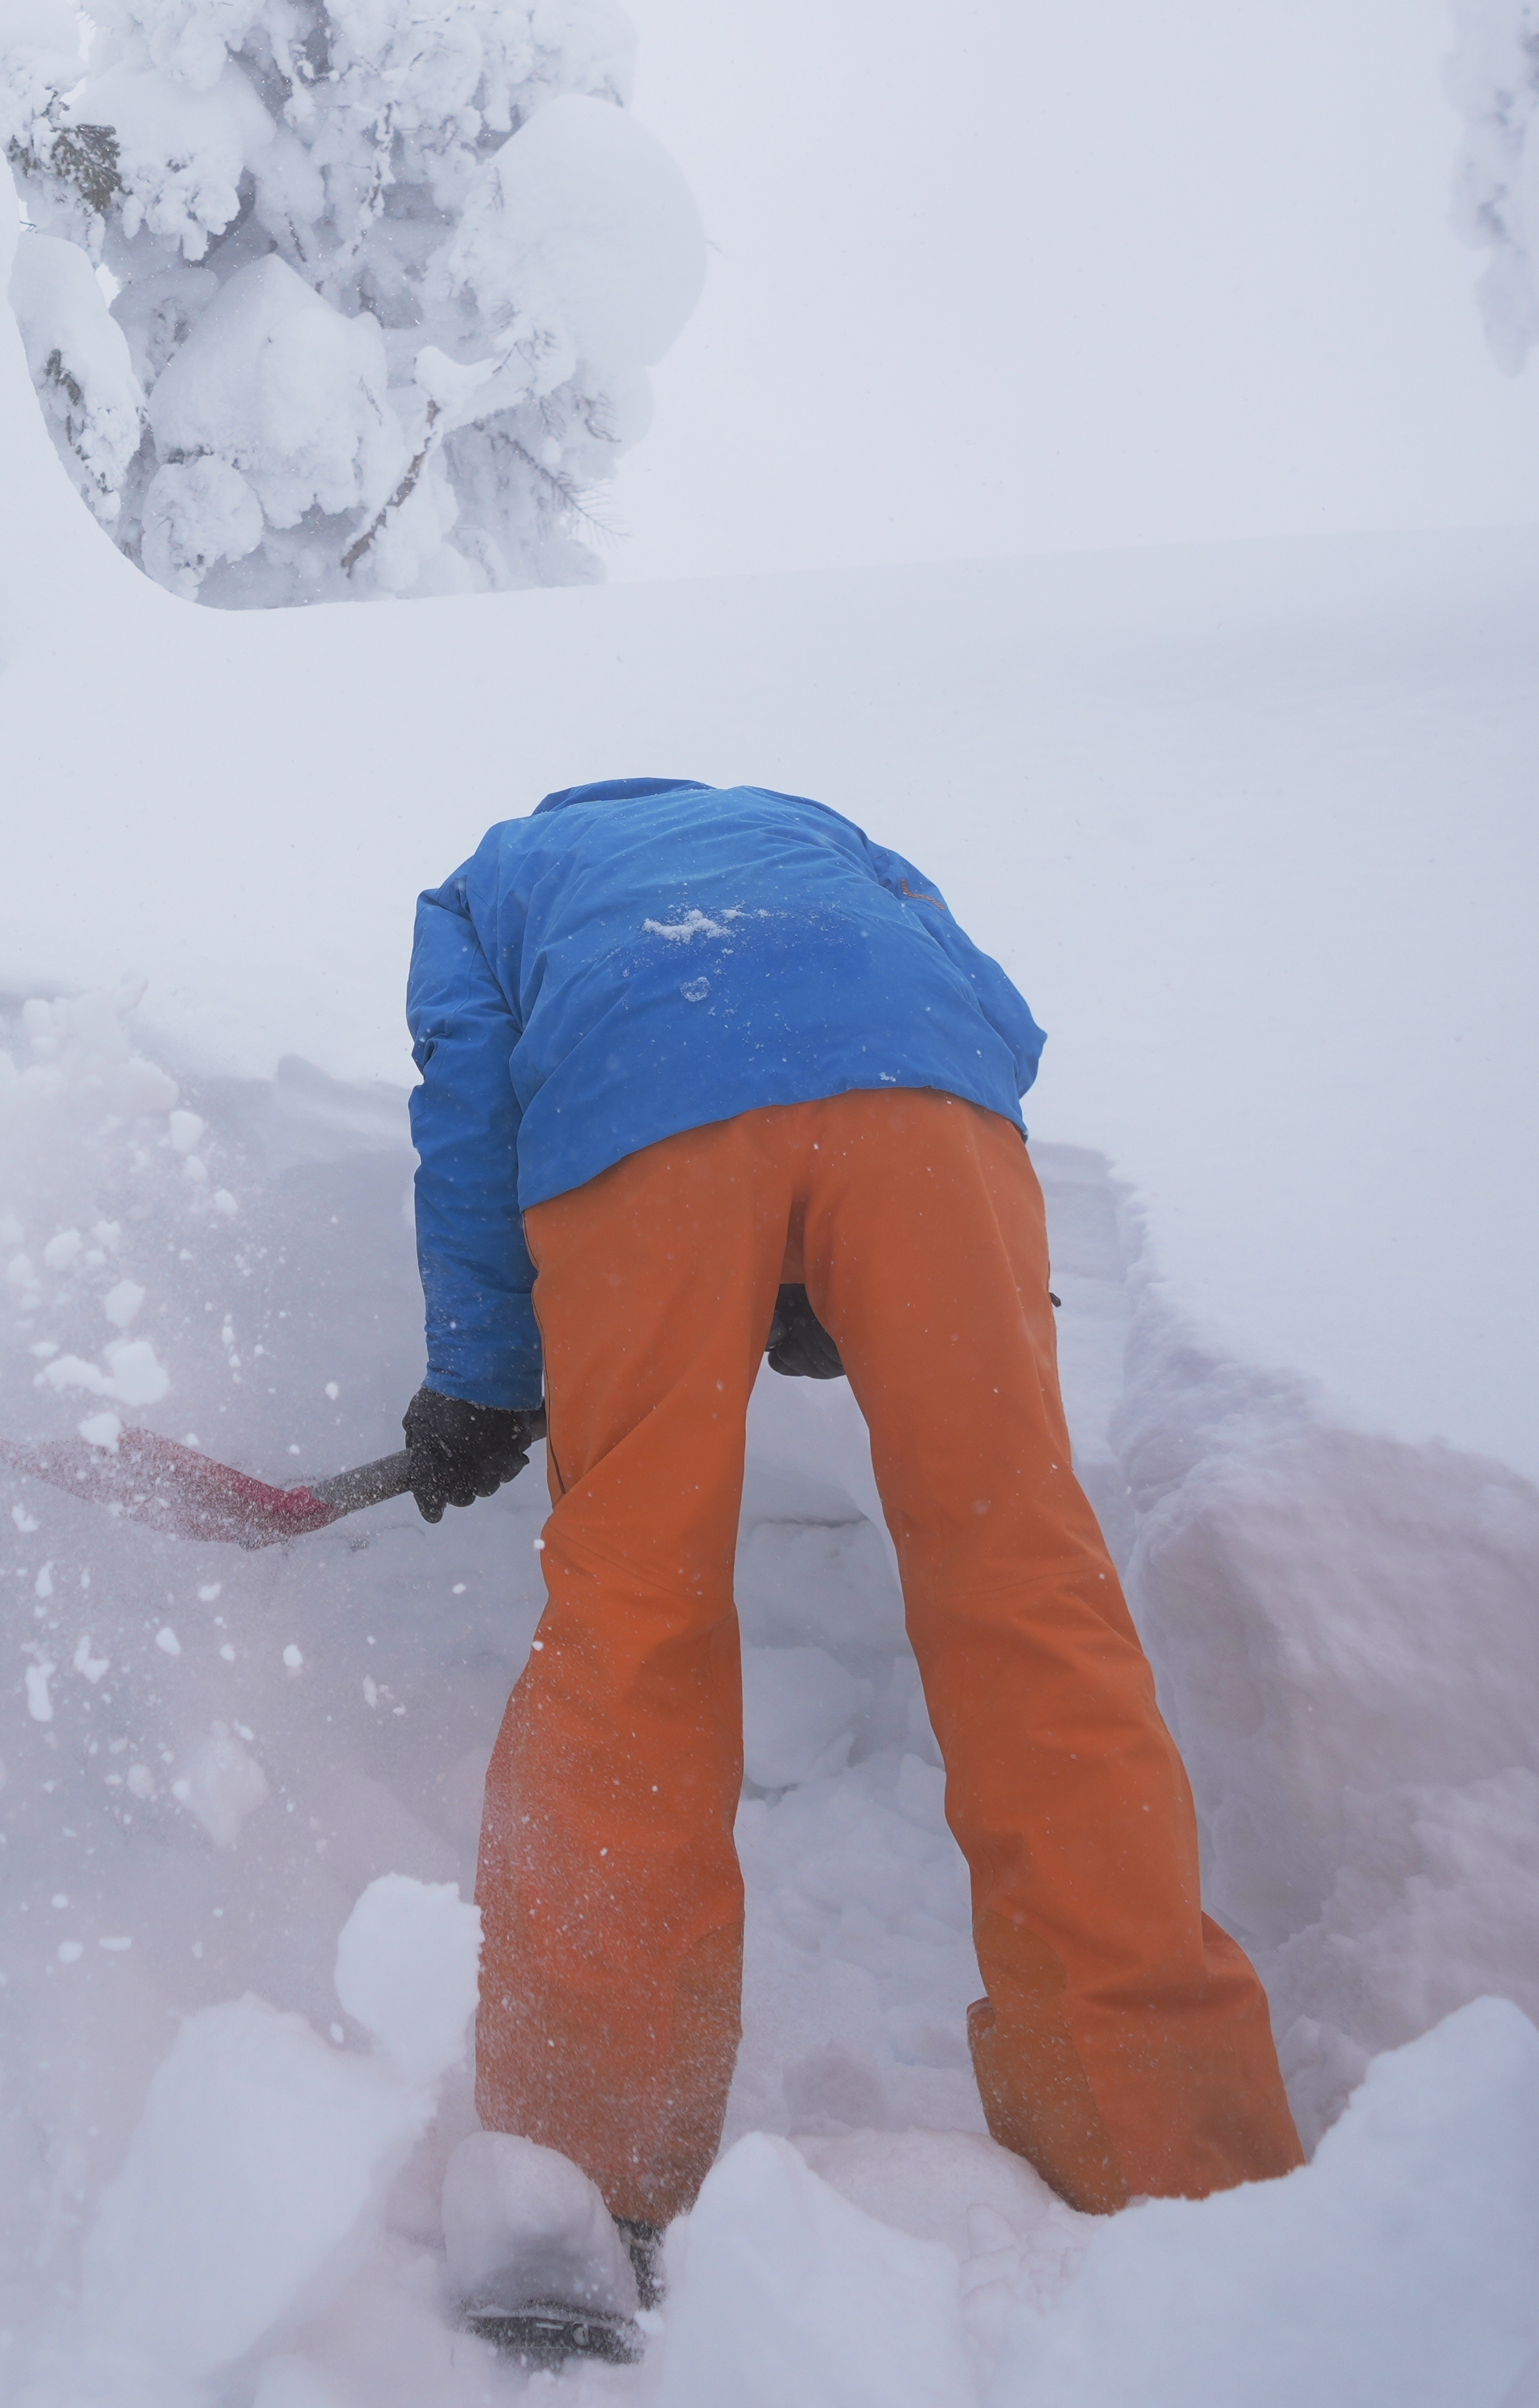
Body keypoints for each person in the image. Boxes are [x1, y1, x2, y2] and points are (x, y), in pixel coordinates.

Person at [395, 779, 1299, 2361]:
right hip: (929, 1112)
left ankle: (578, 2187)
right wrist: (841, 1240)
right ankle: (1171, 2146)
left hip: (640, 1111)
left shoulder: (486, 889)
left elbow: (472, 1099)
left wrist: (480, 1368)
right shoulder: (821, 835)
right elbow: (994, 1016)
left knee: (631, 1615)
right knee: (1031, 1587)